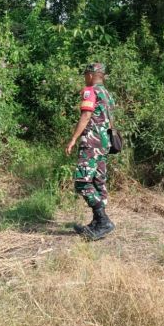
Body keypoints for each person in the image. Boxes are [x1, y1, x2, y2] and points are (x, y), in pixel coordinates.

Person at [66, 62, 117, 240]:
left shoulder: (90, 91)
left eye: (85, 75)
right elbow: (110, 123)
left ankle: (103, 221)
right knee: (98, 182)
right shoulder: (108, 94)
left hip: (91, 143)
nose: (84, 78)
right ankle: (97, 224)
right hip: (104, 143)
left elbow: (86, 115)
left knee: (82, 181)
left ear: (90, 75)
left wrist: (73, 139)